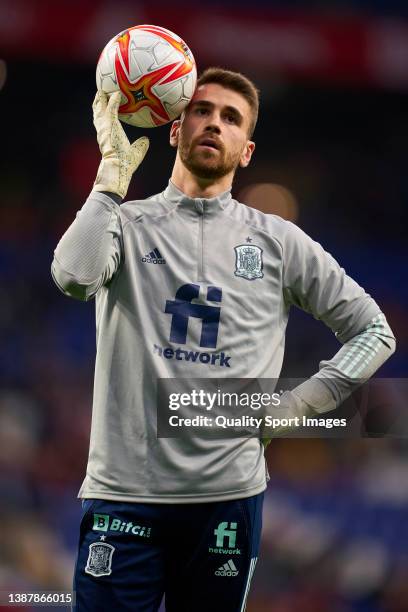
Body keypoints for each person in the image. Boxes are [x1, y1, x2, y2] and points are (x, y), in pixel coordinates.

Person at [51, 67, 396, 611]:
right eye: (201, 111)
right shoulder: (125, 222)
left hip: (227, 502)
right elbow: (71, 277)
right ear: (174, 129)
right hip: (123, 497)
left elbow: (374, 330)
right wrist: (108, 181)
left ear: (247, 150)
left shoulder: (279, 242)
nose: (214, 124)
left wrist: (295, 407)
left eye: (230, 118)